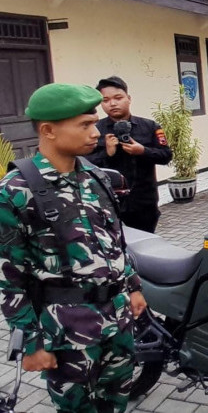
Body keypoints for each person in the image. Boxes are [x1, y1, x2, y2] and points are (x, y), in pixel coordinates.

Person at [0, 83, 147, 412]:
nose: (96, 132)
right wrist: (30, 345)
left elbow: (116, 241)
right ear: (48, 130)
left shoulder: (95, 176)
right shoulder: (15, 191)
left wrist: (133, 287)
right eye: (84, 124)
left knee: (117, 401)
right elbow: (11, 278)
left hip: (118, 321)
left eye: (94, 123)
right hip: (67, 331)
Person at [87, 76, 173, 233]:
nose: (112, 104)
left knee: (145, 244)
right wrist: (107, 153)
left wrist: (143, 151)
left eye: (118, 98)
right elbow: (84, 164)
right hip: (107, 202)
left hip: (143, 201)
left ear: (129, 98)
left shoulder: (150, 126)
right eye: (106, 100)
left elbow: (166, 155)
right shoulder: (95, 130)